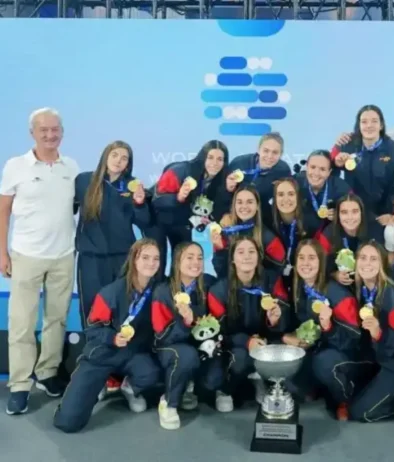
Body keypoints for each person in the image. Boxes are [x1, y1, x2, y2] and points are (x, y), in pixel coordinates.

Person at [0, 108, 79, 415]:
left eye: (55, 129)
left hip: (63, 256)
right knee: (21, 323)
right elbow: (3, 211)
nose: (50, 135)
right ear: (32, 133)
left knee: (56, 319)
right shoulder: (15, 166)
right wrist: (2, 252)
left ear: (62, 132)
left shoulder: (70, 167)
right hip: (25, 255)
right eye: (43, 130)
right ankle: (20, 385)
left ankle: (46, 373)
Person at [53, 239, 161, 433]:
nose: (151, 263)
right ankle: (100, 381)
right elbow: (92, 329)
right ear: (134, 259)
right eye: (145, 257)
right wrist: (112, 338)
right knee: (67, 422)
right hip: (104, 354)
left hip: (134, 354)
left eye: (156, 258)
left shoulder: (159, 291)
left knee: (151, 372)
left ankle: (129, 387)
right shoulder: (111, 292)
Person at [206, 236, 290, 412]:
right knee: (239, 359)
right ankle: (225, 390)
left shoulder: (272, 281)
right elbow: (219, 333)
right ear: (233, 259)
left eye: (252, 252)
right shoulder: (218, 290)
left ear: (259, 257)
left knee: (282, 351)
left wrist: (275, 320)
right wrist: (246, 342)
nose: (247, 256)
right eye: (241, 252)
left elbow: (284, 315)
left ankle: (261, 379)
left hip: (264, 339)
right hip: (234, 344)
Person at [281, 239, 359, 420]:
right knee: (290, 380)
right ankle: (317, 388)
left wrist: (329, 328)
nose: (305, 263)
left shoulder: (338, 294)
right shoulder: (299, 288)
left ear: (321, 262)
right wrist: (289, 338)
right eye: (301, 258)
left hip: (344, 352)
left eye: (311, 258)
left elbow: (353, 339)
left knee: (324, 363)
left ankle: (344, 399)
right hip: (316, 347)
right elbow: (296, 323)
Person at [75, 140, 150, 327]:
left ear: (128, 164)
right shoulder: (84, 181)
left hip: (123, 258)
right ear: (105, 156)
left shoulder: (133, 186)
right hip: (91, 259)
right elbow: (67, 209)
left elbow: (145, 222)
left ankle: (121, 353)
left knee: (121, 308)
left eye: (124, 158)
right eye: (115, 155)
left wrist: (140, 203)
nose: (118, 161)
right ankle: (93, 353)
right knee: (91, 308)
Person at [348, 241, 394, 422]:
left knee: (360, 413)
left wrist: (379, 334)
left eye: (374, 259)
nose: (367, 263)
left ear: (382, 264)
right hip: (378, 360)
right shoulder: (361, 290)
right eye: (362, 258)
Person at [151, 241, 216, 430]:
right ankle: (169, 403)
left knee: (214, 374)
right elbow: (161, 334)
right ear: (177, 261)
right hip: (168, 346)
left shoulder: (208, 284)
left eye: (200, 258)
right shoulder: (162, 292)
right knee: (186, 355)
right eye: (190, 257)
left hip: (199, 344)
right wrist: (186, 321)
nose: (196, 262)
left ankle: (187, 386)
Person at [330, 104, 394, 242]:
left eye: (374, 121)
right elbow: (327, 169)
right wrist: (336, 163)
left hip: (381, 217)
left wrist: (392, 213)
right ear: (358, 125)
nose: (369, 125)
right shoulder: (346, 144)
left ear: (381, 125)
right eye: (364, 122)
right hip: (351, 216)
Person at [151, 140, 229, 255]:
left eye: (220, 159)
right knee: (157, 260)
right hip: (157, 219)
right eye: (210, 157)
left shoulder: (221, 181)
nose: (215, 163)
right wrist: (178, 197)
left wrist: (208, 218)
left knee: (183, 260)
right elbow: (156, 200)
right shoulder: (180, 171)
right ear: (203, 157)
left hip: (182, 222)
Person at [210, 185, 285, 278]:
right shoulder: (225, 233)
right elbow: (221, 273)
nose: (244, 206)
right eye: (240, 202)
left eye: (249, 202)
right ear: (234, 206)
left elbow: (279, 275)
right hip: (232, 287)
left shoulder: (269, 239)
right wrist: (219, 249)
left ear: (257, 206)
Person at [221, 132, 291, 228]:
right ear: (258, 149)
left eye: (275, 152)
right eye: (266, 150)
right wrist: (225, 212)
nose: (270, 156)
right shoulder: (238, 163)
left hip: (265, 221)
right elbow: (221, 191)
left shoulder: (283, 171)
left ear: (281, 154)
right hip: (236, 217)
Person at [294, 150, 351, 237]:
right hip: (302, 238)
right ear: (307, 167)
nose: (316, 173)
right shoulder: (295, 184)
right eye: (313, 167)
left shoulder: (341, 188)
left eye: (322, 169)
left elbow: (355, 213)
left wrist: (341, 215)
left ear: (329, 172)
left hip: (331, 238)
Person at [315, 193, 367, 286]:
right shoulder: (328, 234)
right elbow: (319, 267)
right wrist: (335, 275)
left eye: (354, 211)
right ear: (337, 215)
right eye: (344, 212)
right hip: (343, 284)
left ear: (361, 213)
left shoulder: (373, 231)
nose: (350, 217)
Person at [271, 177, 307, 292]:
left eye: (291, 194)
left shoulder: (310, 224)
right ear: (275, 199)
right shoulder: (269, 223)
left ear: (298, 197)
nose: (286, 199)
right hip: (278, 280)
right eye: (281, 194)